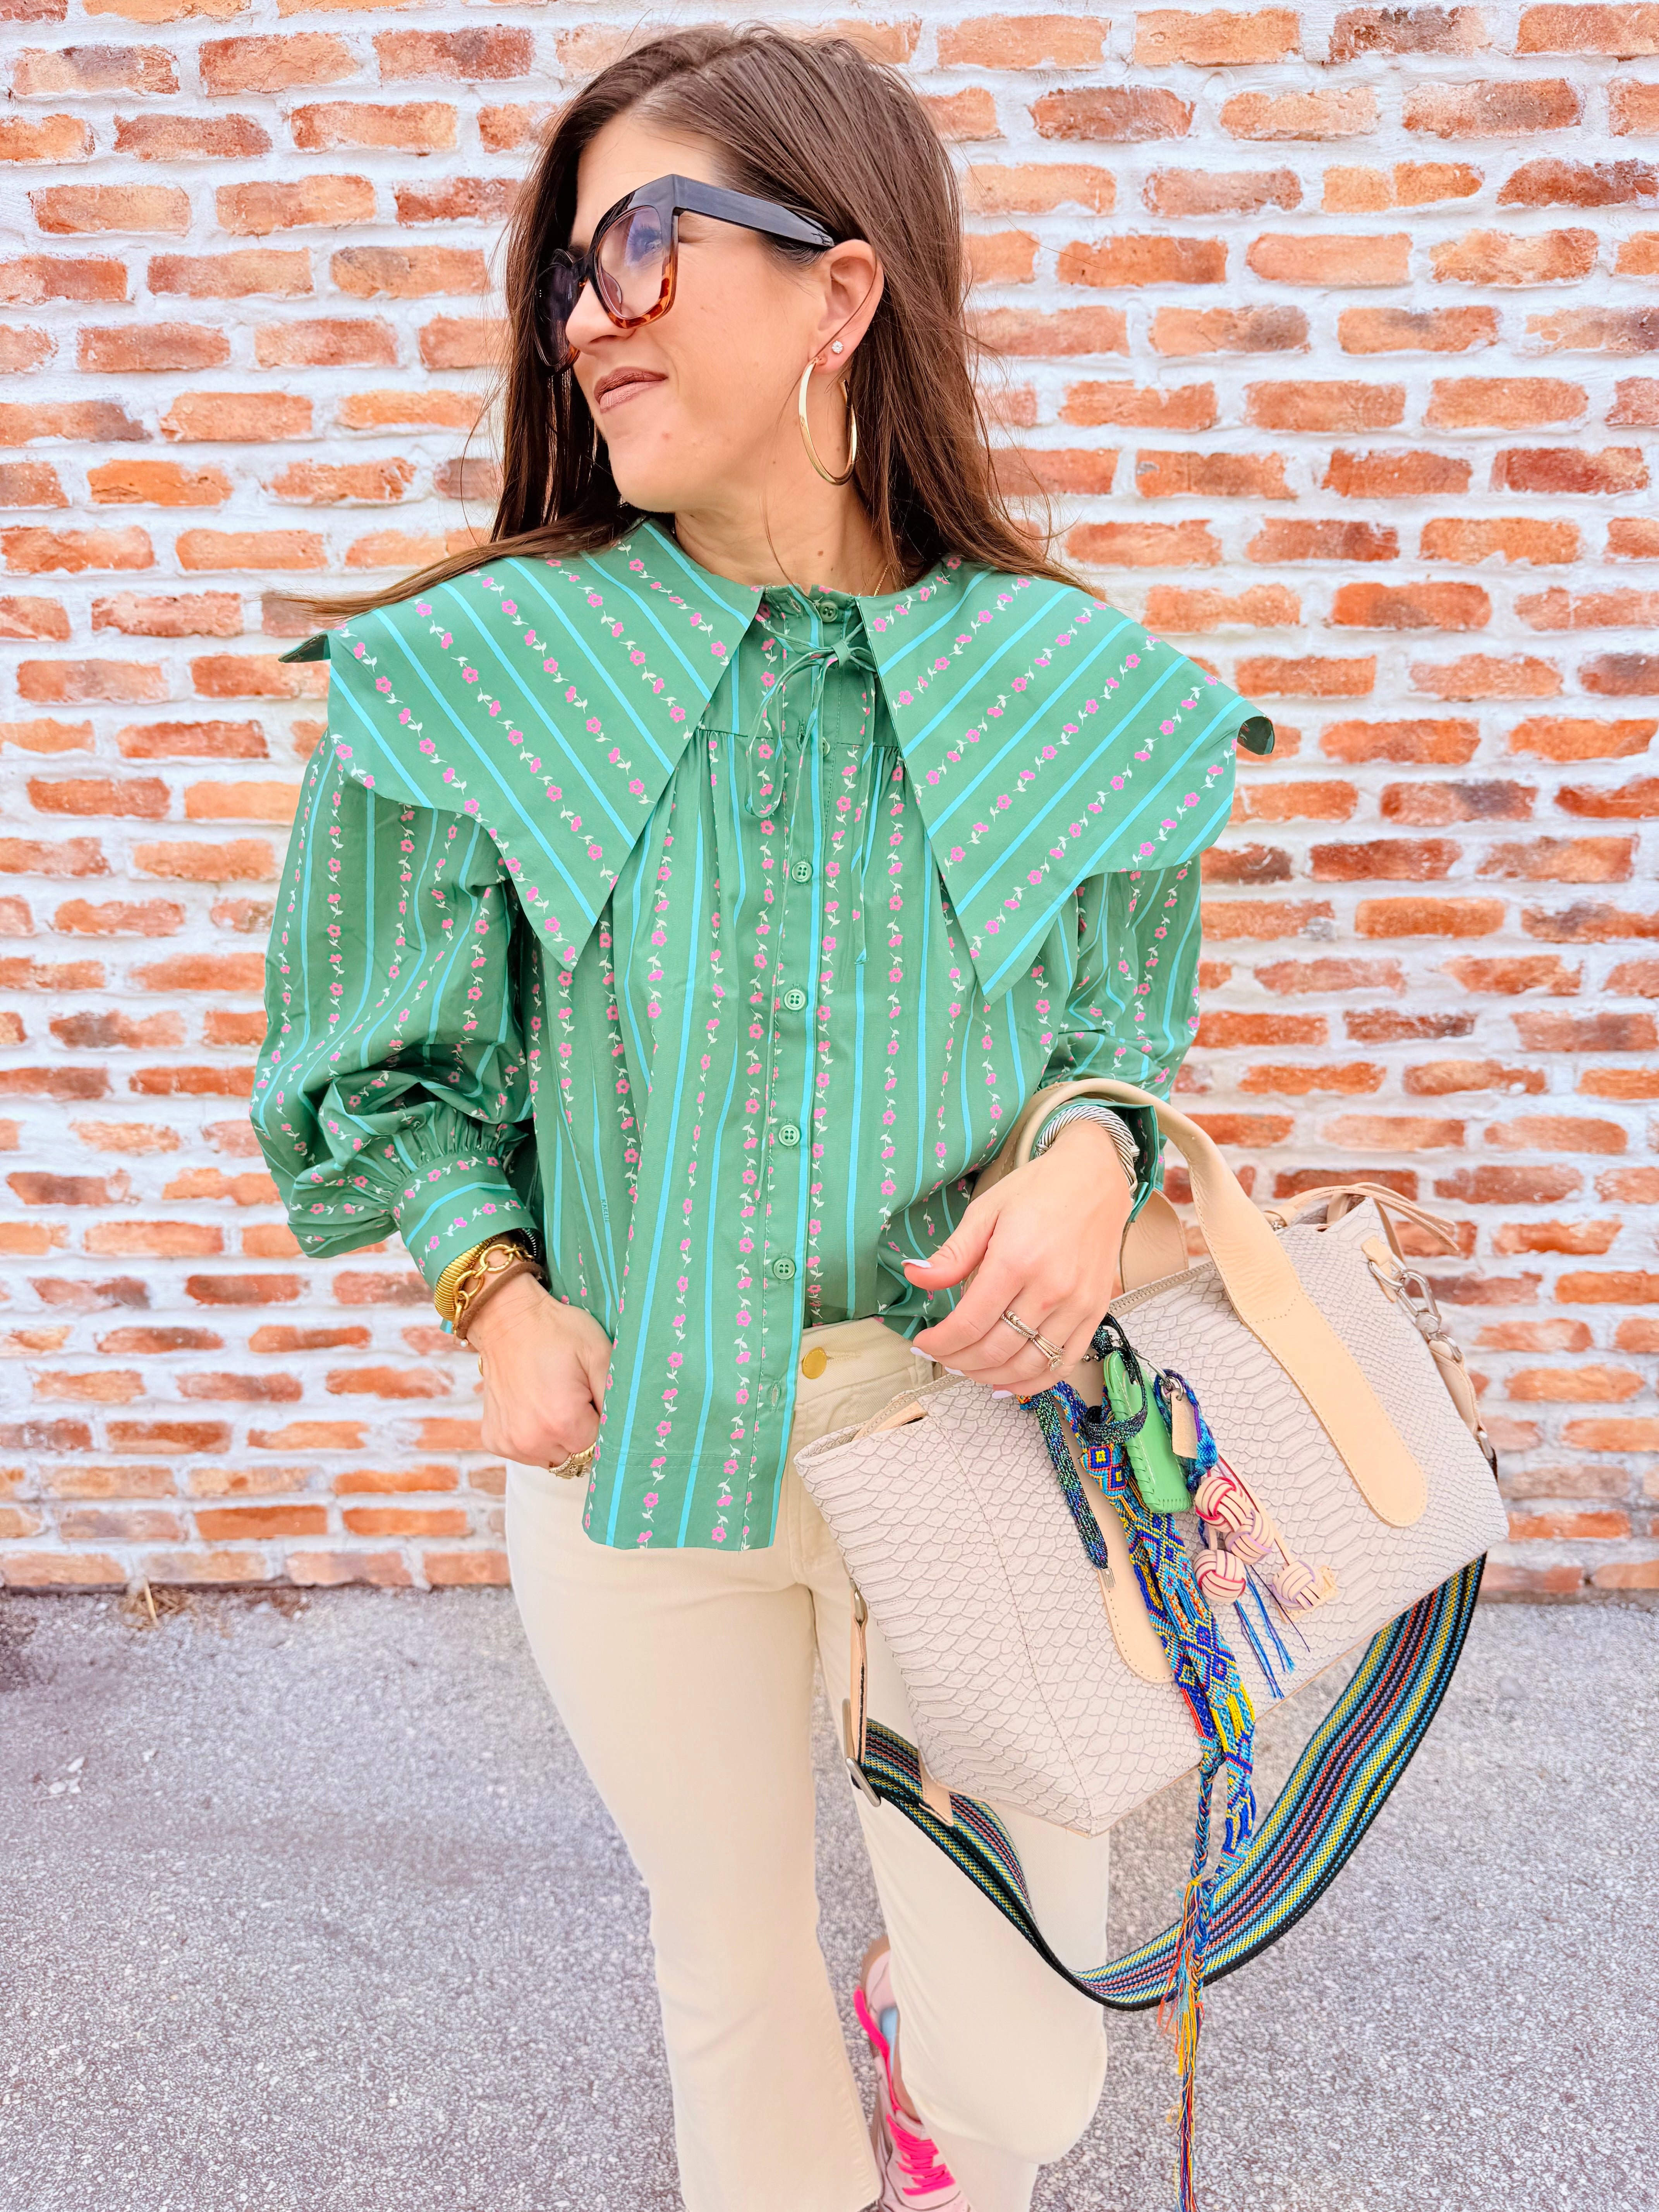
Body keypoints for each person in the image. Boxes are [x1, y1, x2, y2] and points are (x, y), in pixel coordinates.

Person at [251, 26, 1268, 2212]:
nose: (591, 309)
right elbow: (387, 1063)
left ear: (844, 289)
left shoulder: (1083, 692)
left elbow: (1121, 1032)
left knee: (1024, 2085)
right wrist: (491, 1288)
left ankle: (938, 2057)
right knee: (729, 1979)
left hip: (993, 1450)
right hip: (644, 1452)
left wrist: (1093, 1159)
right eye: (566, 265)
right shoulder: (477, 674)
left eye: (651, 241)